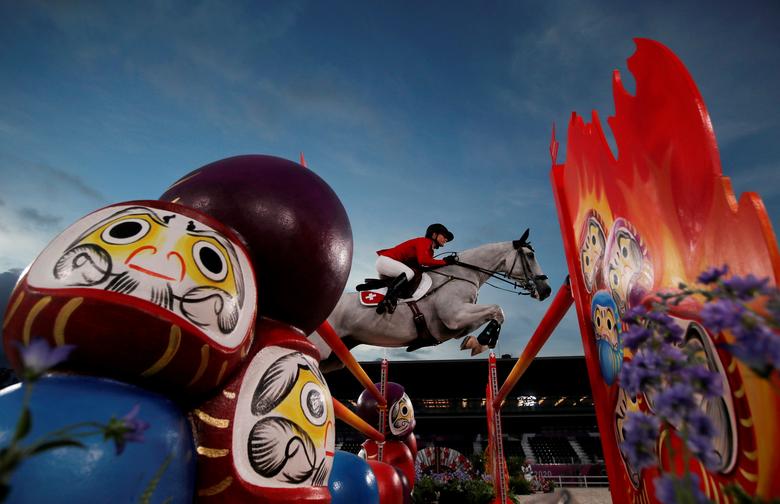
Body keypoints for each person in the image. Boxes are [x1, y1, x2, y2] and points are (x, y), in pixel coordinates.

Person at [374, 223, 456, 314]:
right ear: (434, 235)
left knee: (413, 274)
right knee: (409, 273)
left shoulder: (430, 251)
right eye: (444, 236)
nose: (446, 239)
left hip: (388, 264)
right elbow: (423, 261)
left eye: (447, 238)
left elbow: (424, 266)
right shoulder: (425, 241)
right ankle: (387, 300)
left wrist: (444, 262)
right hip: (385, 261)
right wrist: (445, 262)